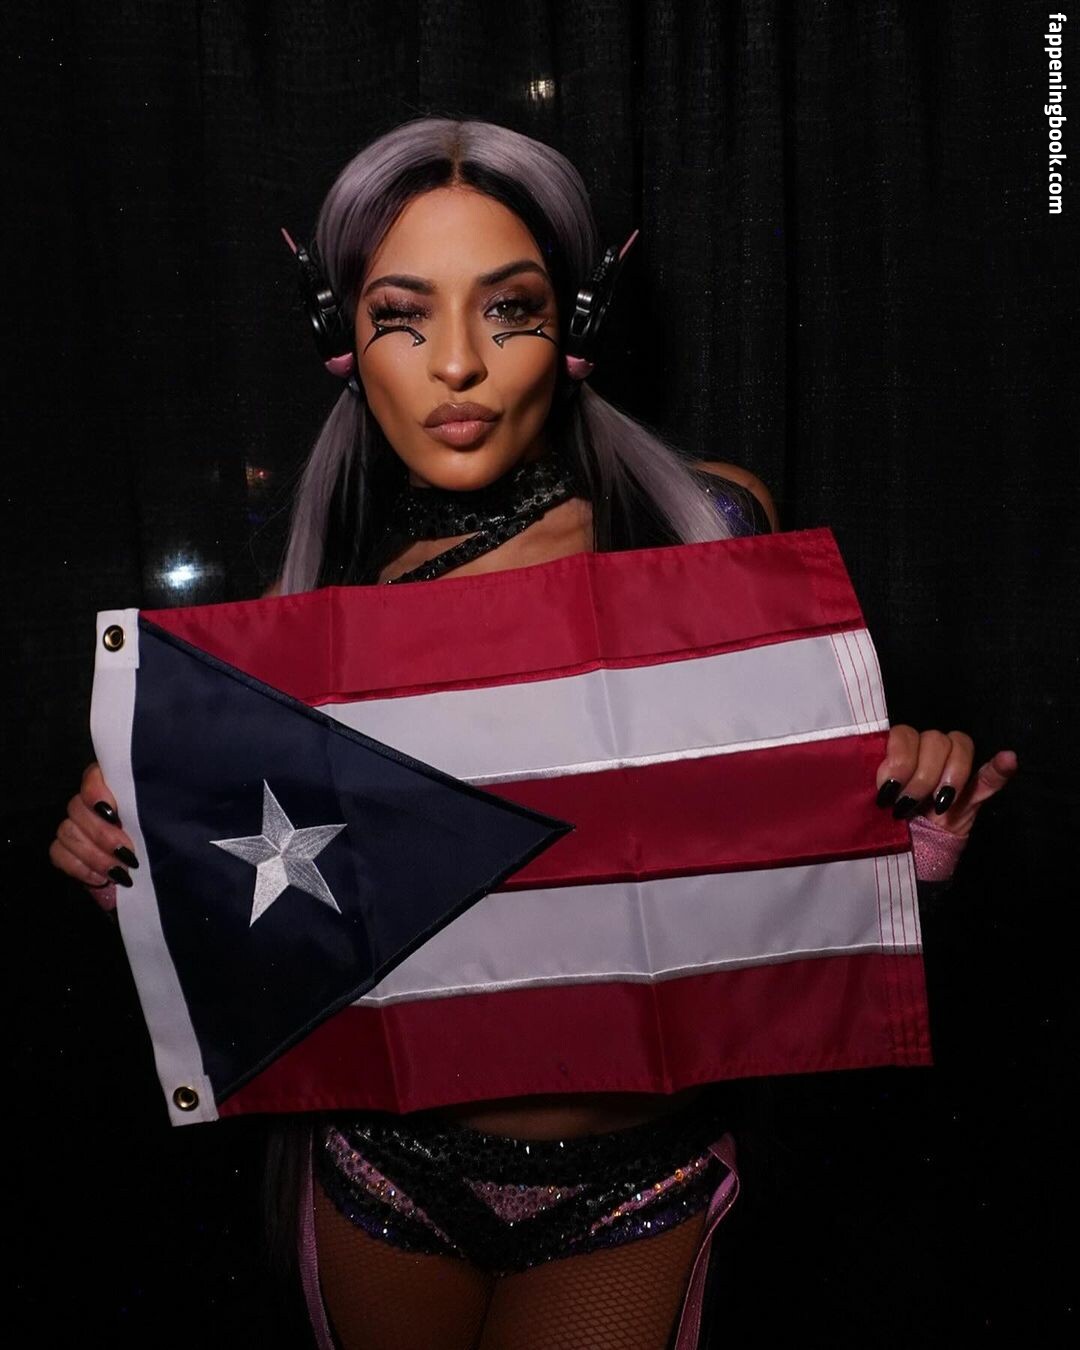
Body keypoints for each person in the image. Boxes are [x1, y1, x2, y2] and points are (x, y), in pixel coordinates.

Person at [48, 117, 1018, 1350]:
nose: (457, 363)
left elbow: (744, 838)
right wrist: (138, 858)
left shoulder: (706, 532)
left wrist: (889, 834)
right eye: (403, 315)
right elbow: (292, 912)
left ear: (578, 327)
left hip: (635, 1181)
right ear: (341, 339)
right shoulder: (311, 614)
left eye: (508, 308)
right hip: (382, 1172)